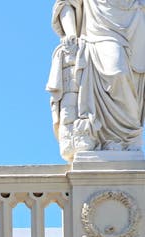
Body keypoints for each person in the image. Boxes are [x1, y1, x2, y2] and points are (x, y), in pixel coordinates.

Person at [47, 0, 145, 160]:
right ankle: (113, 137)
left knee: (131, 85)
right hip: (101, 34)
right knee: (117, 73)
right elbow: (66, 4)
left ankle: (125, 139)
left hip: (134, 26)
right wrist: (71, 33)